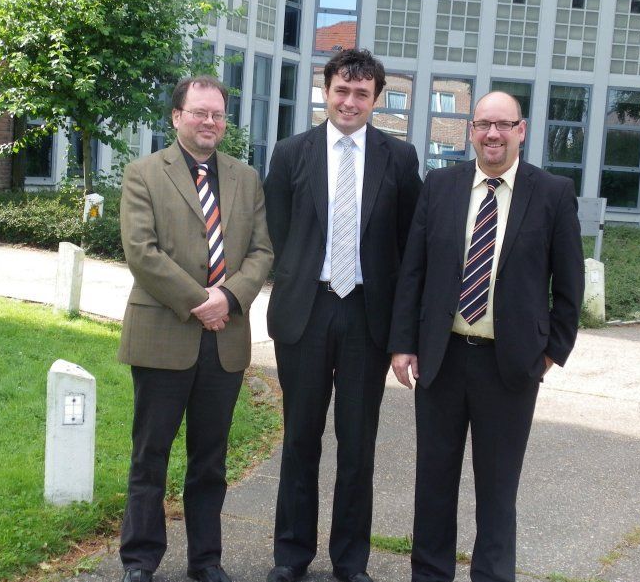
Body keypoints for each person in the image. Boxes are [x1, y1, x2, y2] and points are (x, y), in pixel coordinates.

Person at [387, 91, 584, 582]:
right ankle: (430, 574)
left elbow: (570, 284)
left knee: (498, 490)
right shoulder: (441, 185)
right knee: (434, 482)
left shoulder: (553, 192)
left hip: (510, 365)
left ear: (521, 130)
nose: (492, 134)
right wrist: (403, 343)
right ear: (470, 130)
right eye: (482, 125)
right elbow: (414, 270)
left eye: (503, 125)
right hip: (442, 358)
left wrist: (550, 354)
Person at [263, 48, 422, 582]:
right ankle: (291, 557)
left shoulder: (400, 159)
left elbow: (408, 248)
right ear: (325, 91)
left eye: (361, 93)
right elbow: (279, 234)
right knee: (300, 439)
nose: (349, 101)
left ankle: (350, 562)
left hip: (367, 317)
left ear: (375, 99)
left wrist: (405, 331)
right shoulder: (291, 154)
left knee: (358, 445)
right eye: (340, 90)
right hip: (305, 312)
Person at [117, 76, 273, 582]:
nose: (210, 123)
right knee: (150, 457)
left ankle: (206, 561)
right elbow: (141, 251)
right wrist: (198, 302)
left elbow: (261, 252)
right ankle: (139, 561)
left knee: (210, 461)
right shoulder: (144, 173)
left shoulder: (246, 178)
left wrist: (227, 297)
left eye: (218, 115)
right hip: (163, 335)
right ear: (176, 116)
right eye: (200, 113)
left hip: (224, 341)